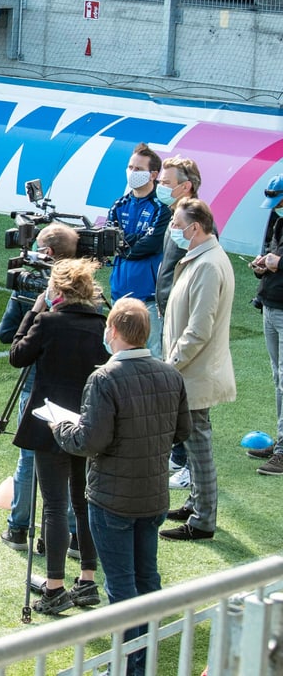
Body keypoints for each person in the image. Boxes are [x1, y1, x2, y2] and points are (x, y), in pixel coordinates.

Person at [52, 298, 191, 676]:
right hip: (153, 495)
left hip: (112, 499)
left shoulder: (105, 378)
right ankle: (140, 662)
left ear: (112, 331)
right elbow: (183, 431)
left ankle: (130, 667)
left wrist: (60, 427)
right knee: (148, 579)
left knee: (121, 587)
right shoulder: (170, 374)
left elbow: (90, 441)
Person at [9, 258, 108, 614]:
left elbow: (17, 355)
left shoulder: (49, 321)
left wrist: (33, 313)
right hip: (89, 422)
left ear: (59, 290)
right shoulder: (102, 324)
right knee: (83, 503)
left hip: (50, 422)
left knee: (54, 506)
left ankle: (54, 586)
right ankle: (87, 580)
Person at [0, 222, 80, 554]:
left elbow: (7, 336)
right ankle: (74, 535)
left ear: (44, 253)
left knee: (29, 455)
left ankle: (18, 529)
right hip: (76, 384)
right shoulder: (88, 292)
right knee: (73, 455)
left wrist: (33, 309)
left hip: (36, 379)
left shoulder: (28, 289)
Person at [160, 198, 235, 541]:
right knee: (194, 447)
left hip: (193, 373)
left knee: (198, 447)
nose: (173, 229)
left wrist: (170, 366)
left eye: (177, 223)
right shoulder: (204, 258)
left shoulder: (207, 265)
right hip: (191, 372)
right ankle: (196, 504)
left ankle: (203, 520)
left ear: (195, 227)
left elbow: (198, 329)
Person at [154, 155, 203, 490]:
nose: (160, 188)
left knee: (183, 393)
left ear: (185, 186)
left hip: (181, 316)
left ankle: (187, 464)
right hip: (169, 310)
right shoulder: (176, 217)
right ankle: (178, 456)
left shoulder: (193, 222)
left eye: (166, 183)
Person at [107, 142, 171, 358]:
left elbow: (151, 244)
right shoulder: (119, 205)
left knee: (153, 355)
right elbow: (108, 242)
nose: (132, 172)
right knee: (115, 353)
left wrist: (123, 245)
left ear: (153, 174)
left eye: (139, 169)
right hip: (120, 296)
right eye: (130, 167)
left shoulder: (161, 208)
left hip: (148, 298)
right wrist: (132, 242)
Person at [247, 175, 283, 473]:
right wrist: (262, 267)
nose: (276, 208)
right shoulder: (277, 218)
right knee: (278, 379)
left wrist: (278, 263)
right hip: (271, 305)